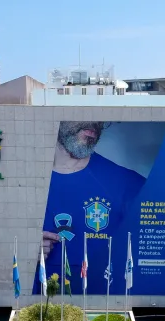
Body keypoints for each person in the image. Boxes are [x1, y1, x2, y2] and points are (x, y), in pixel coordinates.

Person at [33, 121, 145, 294]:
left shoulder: (130, 185)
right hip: (36, 308)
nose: (94, 122)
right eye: (82, 111)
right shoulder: (18, 181)